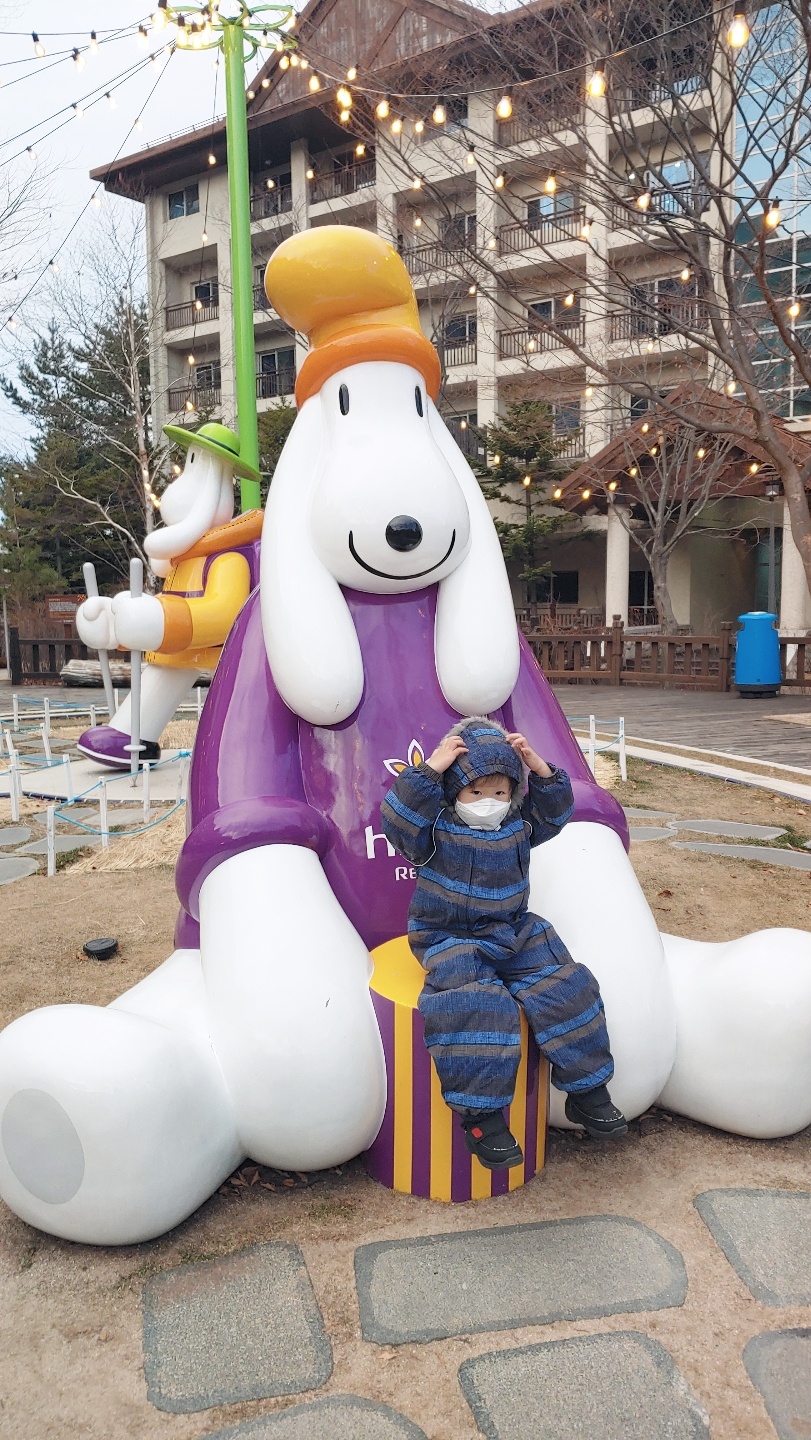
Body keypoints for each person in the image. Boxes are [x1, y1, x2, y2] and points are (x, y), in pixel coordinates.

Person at [380, 716, 627, 1169]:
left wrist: (542, 771)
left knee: (565, 982)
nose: (488, 803)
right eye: (475, 792)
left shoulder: (519, 826)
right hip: (450, 935)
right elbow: (398, 821)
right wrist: (430, 771)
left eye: (499, 792)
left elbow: (555, 814)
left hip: (514, 929)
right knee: (476, 1001)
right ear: (454, 792)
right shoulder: (434, 832)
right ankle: (482, 1119)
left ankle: (588, 1090)